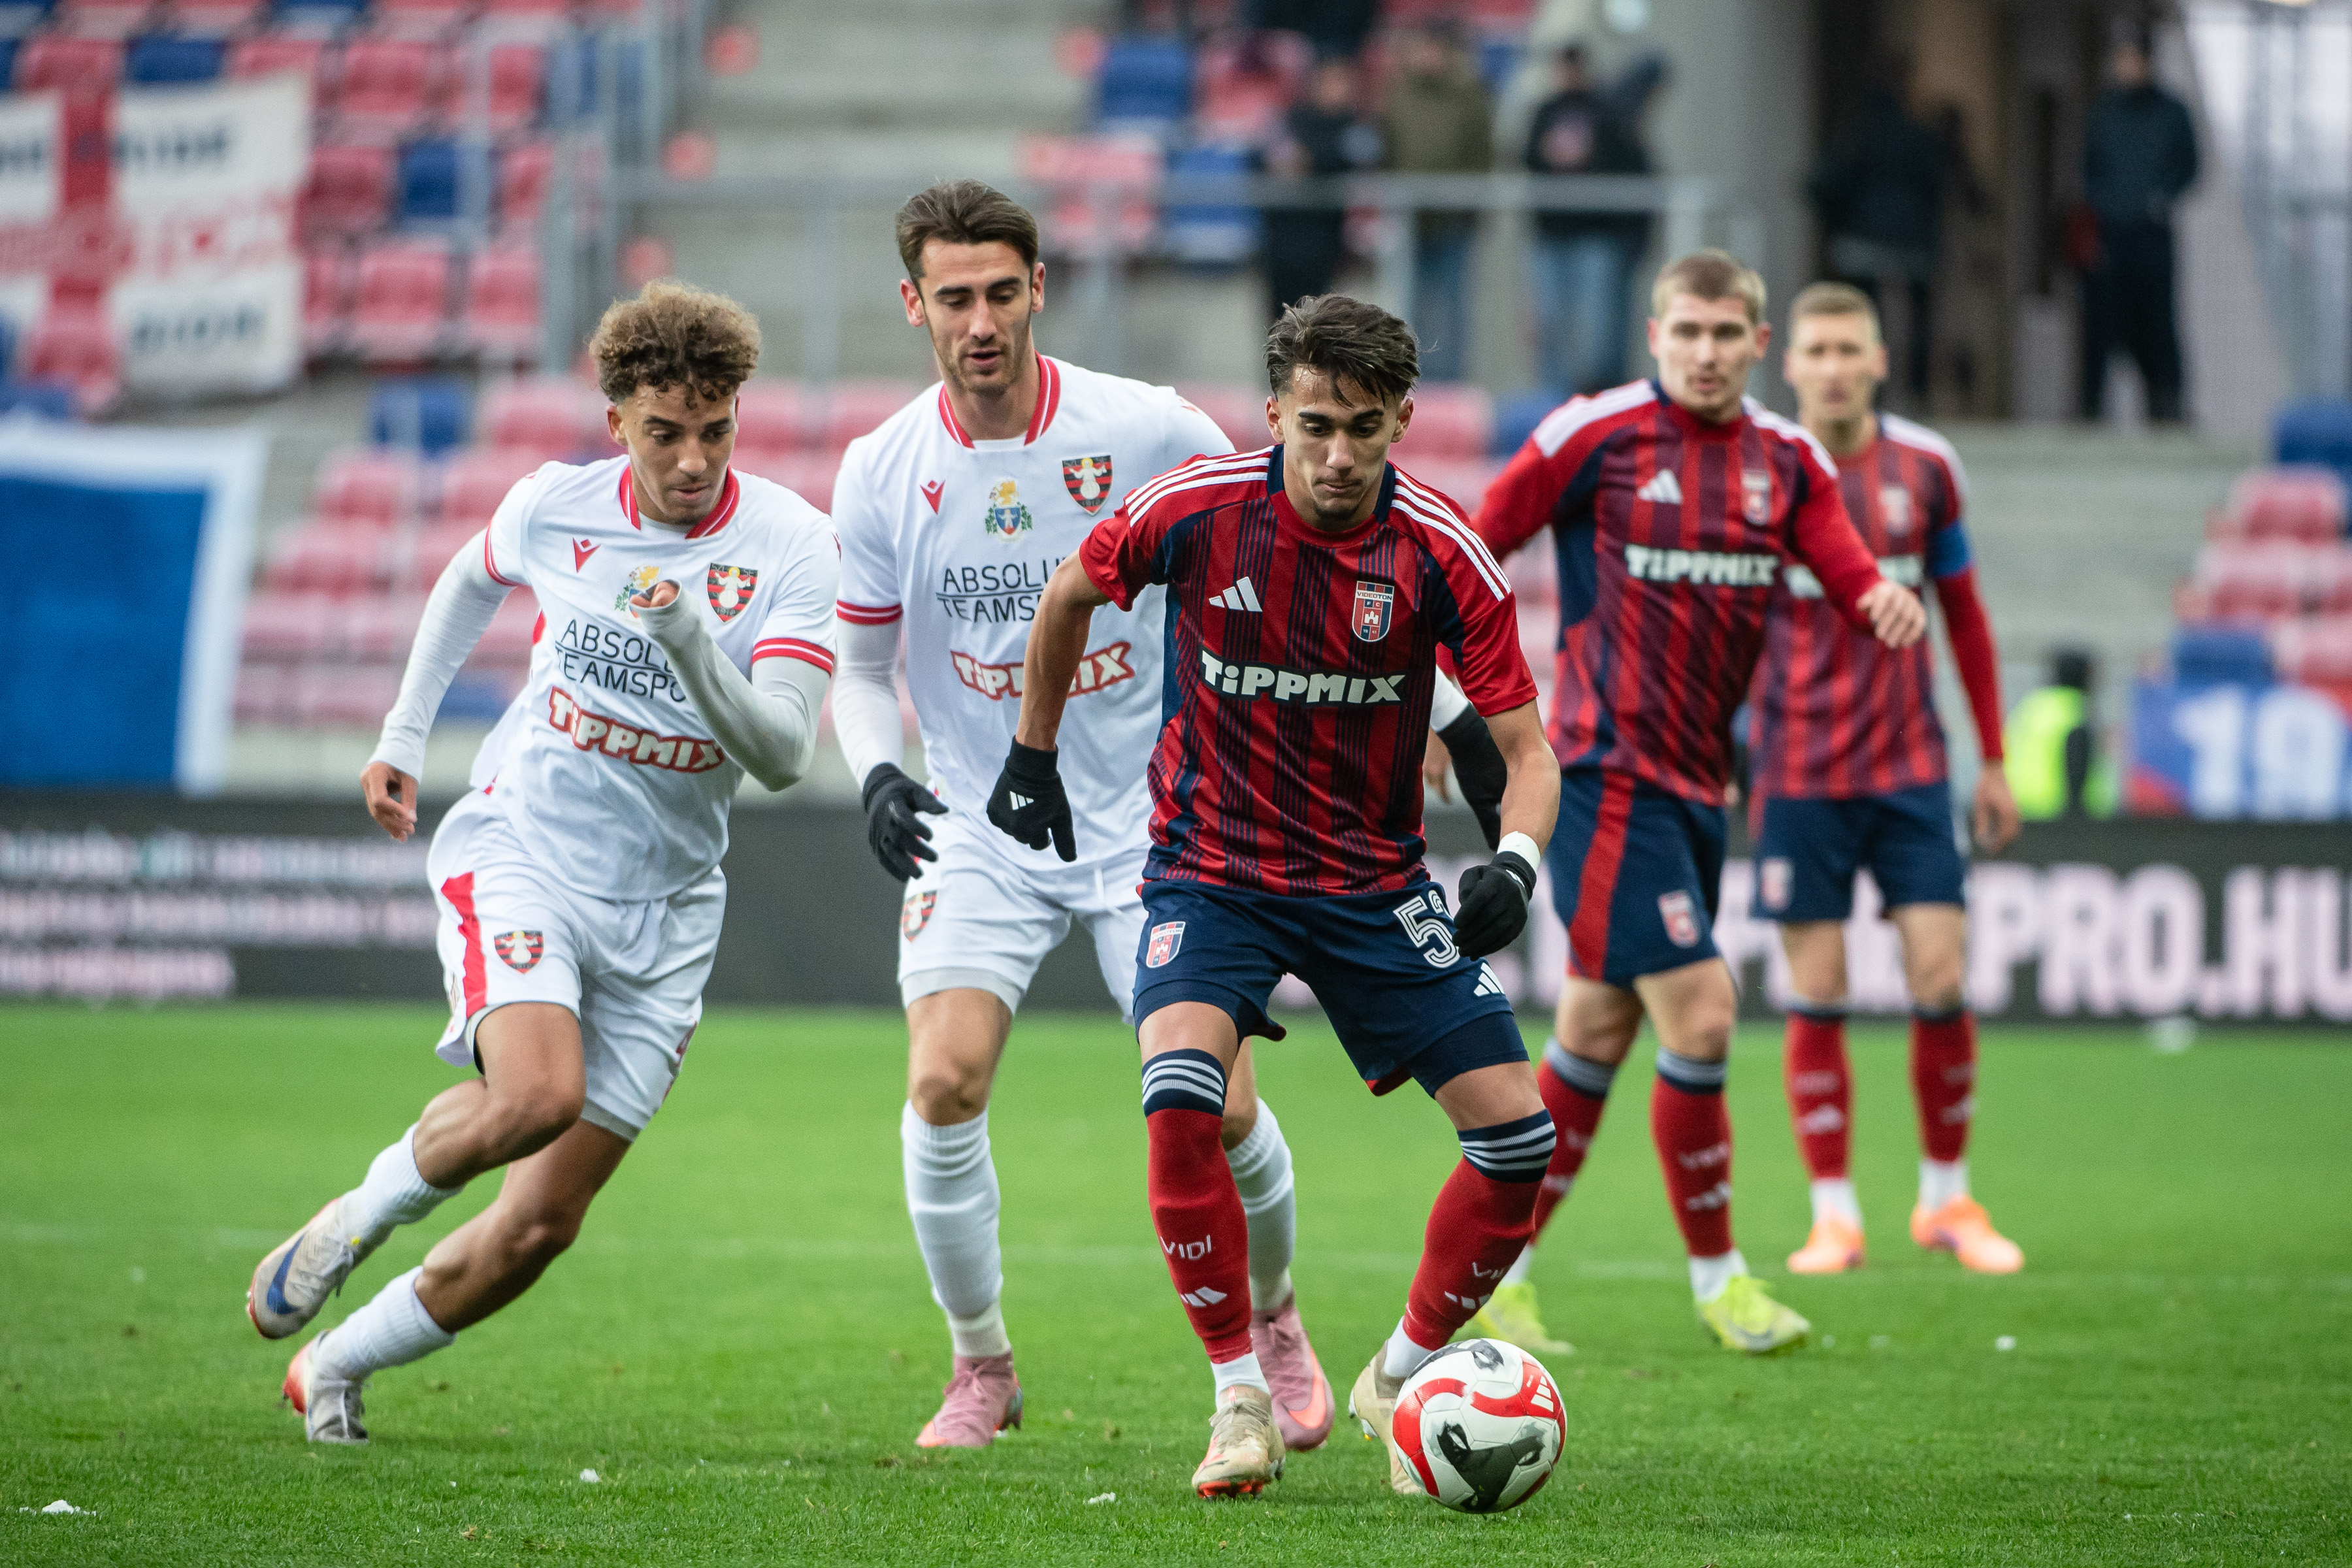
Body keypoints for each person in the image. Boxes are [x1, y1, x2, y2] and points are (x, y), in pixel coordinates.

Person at [248, 282, 840, 1442]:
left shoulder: (791, 544)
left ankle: (335, 1365)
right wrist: (403, 735)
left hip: (668, 911)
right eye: (664, 433)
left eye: (714, 431)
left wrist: (687, 642)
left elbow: (779, 754)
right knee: (535, 1095)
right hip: (526, 851)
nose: (692, 460)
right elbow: (470, 578)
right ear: (617, 420)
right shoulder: (555, 506)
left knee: (540, 1227)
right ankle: (358, 1218)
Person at [990, 293, 1560, 1498]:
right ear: (1273, 416)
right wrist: (1033, 757)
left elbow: (1527, 748)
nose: (1339, 455)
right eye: (1316, 427)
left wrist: (1515, 861)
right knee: (1181, 1099)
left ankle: (1397, 1376)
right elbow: (1068, 593)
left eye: (1364, 428)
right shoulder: (1197, 511)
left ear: (1402, 421)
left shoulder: (1442, 551)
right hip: (1215, 871)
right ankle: (1238, 1398)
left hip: (1372, 883)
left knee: (1521, 1139)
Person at [827, 180, 1332, 1454]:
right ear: (914, 306)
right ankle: (981, 1366)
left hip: (1159, 825)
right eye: (955, 298)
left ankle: (1275, 1315)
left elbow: (1285, 545)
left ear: (1039, 289)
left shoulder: (1147, 428)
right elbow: (859, 666)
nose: (981, 322)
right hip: (980, 823)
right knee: (942, 1082)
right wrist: (878, 773)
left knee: (1220, 1106)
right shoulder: (882, 468)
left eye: (1003, 292)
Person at [1466, 250, 1927, 1358]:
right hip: (1602, 775)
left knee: (1595, 1028)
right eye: (1688, 332)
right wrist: (1457, 706)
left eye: (1727, 334)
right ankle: (1722, 1283)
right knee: (1706, 1010)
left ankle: (1495, 1275)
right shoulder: (1594, 434)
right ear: (1655, 335)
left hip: (1697, 789)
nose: (1707, 353)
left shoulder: (1787, 460)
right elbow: (1473, 550)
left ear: (1758, 344)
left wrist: (1878, 598)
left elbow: (1846, 565)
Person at [1758, 281, 2023, 1277]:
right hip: (1797, 773)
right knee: (1817, 990)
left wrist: (1993, 759)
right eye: (1816, 350)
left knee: (1942, 978)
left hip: (1911, 767)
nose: (1833, 368)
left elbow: (1967, 618)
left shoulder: (1928, 469)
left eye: (1849, 350)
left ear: (1877, 360)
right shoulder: (1761, 474)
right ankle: (1833, 1215)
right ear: (1789, 362)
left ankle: (1947, 1200)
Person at [1806, 59, 1946, 407]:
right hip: (1911, 239)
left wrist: (1835, 225)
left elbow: (1825, 183)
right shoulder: (1916, 135)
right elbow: (1936, 183)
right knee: (1917, 318)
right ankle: (1917, 391)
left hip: (1863, 238)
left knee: (1864, 315)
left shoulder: (1856, 135)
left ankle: (1871, 389)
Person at [2079, 25, 2198, 423]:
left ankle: (2166, 409)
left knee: (2158, 326)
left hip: (2153, 238)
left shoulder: (2172, 112)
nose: (2125, 68)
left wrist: (2159, 200)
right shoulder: (2105, 112)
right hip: (2112, 238)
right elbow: (2089, 170)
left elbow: (2189, 166)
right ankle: (2090, 411)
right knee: (2102, 325)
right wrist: (2106, 206)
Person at [1522, 43, 1652, 396]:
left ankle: (1595, 396)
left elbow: (1620, 161)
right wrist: (1550, 154)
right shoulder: (1546, 111)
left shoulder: (1605, 111)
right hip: (1552, 234)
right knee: (1550, 321)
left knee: (1597, 328)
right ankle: (1553, 397)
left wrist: (1584, 159)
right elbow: (1528, 158)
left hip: (1595, 234)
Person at [1383, 23, 1493, 382]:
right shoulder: (1398, 95)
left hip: (1453, 219)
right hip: (1409, 219)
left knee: (1452, 307)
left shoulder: (1468, 95)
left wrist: (1472, 202)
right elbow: (1388, 149)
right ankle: (1411, 379)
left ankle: (1450, 384)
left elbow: (1482, 152)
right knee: (1408, 304)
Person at [1262, 56, 1381, 322]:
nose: (1336, 88)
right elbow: (1267, 158)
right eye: (1329, 80)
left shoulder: (1354, 126)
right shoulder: (1293, 119)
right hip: (1283, 243)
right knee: (1280, 326)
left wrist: (1310, 161)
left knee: (1319, 325)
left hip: (1324, 245)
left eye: (1341, 81)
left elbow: (1351, 157)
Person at [2006, 646, 2115, 819]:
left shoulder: (2030, 707)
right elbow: (2076, 775)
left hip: (2017, 812)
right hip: (2056, 818)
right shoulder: (2075, 712)